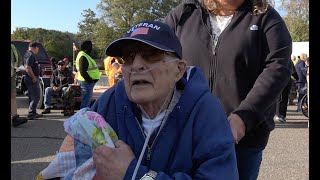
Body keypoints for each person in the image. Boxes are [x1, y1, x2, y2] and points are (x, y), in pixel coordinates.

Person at [64, 20, 238, 179]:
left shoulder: (206, 111)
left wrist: (132, 173)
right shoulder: (110, 101)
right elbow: (75, 156)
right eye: (129, 57)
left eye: (151, 54)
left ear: (178, 70)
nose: (136, 65)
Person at [163, 0, 292, 179]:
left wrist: (244, 117)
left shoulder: (266, 18)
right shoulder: (184, 13)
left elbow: (278, 68)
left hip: (242, 140)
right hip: (184, 134)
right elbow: (157, 56)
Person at [75, 40, 101, 109]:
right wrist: (90, 81)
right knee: (85, 104)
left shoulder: (85, 55)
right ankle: (83, 118)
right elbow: (83, 71)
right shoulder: (83, 56)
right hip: (86, 82)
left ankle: (83, 117)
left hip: (86, 82)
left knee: (86, 103)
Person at [23, 41, 43, 120]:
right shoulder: (30, 55)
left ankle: (32, 112)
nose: (38, 50)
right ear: (35, 48)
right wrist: (34, 77)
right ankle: (31, 113)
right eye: (37, 48)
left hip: (29, 78)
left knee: (32, 96)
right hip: (31, 78)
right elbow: (28, 67)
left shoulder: (27, 54)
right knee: (36, 96)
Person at [11, 44, 28, 127]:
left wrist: (18, 66)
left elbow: (19, 57)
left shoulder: (13, 47)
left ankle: (15, 118)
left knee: (13, 96)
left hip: (12, 74)